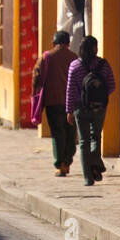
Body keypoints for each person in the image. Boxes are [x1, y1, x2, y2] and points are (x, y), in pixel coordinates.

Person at [65, 36, 115, 186]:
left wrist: (69, 110)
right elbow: (112, 86)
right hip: (99, 108)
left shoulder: (74, 66)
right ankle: (95, 164)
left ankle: (88, 177)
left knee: (83, 142)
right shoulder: (104, 65)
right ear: (94, 48)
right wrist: (100, 95)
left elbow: (70, 90)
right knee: (96, 137)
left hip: (80, 108)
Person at [31, 30, 78, 176]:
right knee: (70, 132)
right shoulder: (74, 57)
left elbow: (36, 77)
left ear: (54, 43)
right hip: (71, 101)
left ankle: (61, 164)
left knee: (57, 132)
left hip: (52, 101)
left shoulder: (46, 57)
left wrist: (35, 95)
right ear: (68, 43)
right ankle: (68, 161)